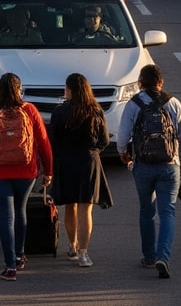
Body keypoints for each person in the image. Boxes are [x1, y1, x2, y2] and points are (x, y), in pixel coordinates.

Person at [0, 72, 54, 281]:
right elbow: (44, 143)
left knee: (6, 217)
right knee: (20, 211)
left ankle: (10, 267)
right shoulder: (29, 111)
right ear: (19, 90)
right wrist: (49, 171)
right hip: (26, 171)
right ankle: (19, 255)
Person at [118, 64, 181, 279]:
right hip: (170, 165)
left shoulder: (134, 104)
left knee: (146, 211)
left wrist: (124, 154)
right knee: (167, 211)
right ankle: (163, 256)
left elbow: (122, 138)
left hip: (143, 166)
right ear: (161, 82)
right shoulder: (173, 103)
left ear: (140, 83)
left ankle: (149, 256)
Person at [47, 72, 110, 268]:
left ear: (69, 90)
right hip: (88, 162)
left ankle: (72, 246)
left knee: (70, 205)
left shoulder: (59, 112)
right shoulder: (95, 110)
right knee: (86, 208)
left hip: (66, 162)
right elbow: (104, 140)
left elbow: (53, 140)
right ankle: (84, 253)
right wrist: (93, 151)